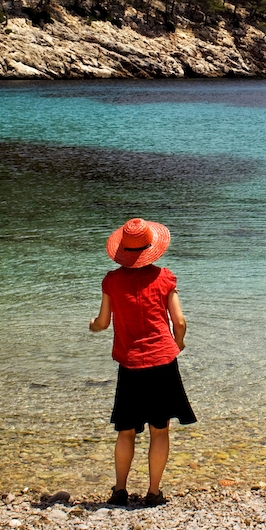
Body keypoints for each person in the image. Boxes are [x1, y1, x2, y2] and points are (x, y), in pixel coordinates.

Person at [88, 217, 195, 507]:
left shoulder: (111, 281)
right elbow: (180, 322)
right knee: (159, 430)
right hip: (162, 363)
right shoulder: (164, 278)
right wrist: (178, 343)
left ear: (123, 250)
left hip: (130, 366)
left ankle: (120, 490)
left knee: (126, 430)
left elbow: (103, 322)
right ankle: (153, 493)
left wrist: (93, 326)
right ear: (153, 249)